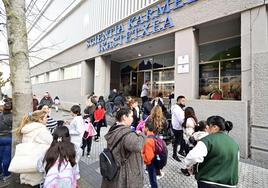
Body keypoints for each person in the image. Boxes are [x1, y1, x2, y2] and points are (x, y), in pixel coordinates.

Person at [183, 116, 239, 188]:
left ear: (215, 127)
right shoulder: (234, 144)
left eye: (208, 127)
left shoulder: (208, 140)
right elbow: (234, 162)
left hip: (209, 182)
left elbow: (192, 157)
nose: (207, 129)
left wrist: (189, 165)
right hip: (230, 184)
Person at [101, 108, 145, 188]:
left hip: (114, 168)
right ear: (124, 117)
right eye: (131, 116)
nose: (133, 118)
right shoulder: (126, 133)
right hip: (124, 172)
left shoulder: (114, 128)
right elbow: (138, 146)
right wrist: (142, 134)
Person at [16, 110, 53, 186]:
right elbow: (53, 144)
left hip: (27, 164)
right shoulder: (41, 130)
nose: (47, 119)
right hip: (36, 166)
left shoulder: (29, 128)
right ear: (40, 119)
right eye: (46, 117)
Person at [65, 105, 84, 179]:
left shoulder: (77, 119)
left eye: (71, 111)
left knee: (74, 158)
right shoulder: (78, 118)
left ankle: (76, 174)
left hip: (75, 141)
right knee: (74, 158)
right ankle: (75, 173)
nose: (70, 112)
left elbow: (78, 131)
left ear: (73, 111)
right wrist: (69, 124)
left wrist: (68, 131)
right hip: (76, 141)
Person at [142, 121, 159, 188]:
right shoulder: (154, 136)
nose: (143, 128)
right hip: (155, 159)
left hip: (151, 163)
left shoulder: (148, 140)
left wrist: (142, 156)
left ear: (147, 128)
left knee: (152, 178)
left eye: (144, 127)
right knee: (153, 176)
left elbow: (148, 158)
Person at [0, 101, 12, 181]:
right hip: (8, 138)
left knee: (0, 157)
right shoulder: (13, 117)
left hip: (0, 138)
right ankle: (6, 174)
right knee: (6, 158)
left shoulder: (0, 115)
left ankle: (0, 173)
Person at [171, 95, 186, 162]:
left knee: (182, 140)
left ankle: (181, 151)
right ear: (179, 101)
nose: (184, 102)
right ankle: (174, 155)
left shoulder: (178, 108)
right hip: (178, 128)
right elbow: (181, 119)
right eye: (183, 101)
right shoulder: (177, 109)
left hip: (178, 127)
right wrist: (185, 124)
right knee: (177, 142)